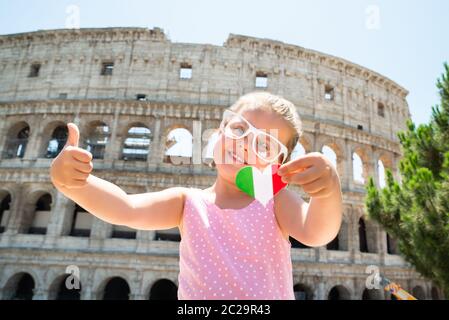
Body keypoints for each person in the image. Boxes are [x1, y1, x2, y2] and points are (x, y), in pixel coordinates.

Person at [50, 91, 343, 300]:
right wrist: (76, 185)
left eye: (264, 145)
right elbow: (126, 208)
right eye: (239, 128)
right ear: (217, 133)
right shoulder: (187, 201)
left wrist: (327, 192)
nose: (244, 144)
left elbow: (316, 232)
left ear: (277, 166)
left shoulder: (273, 200)